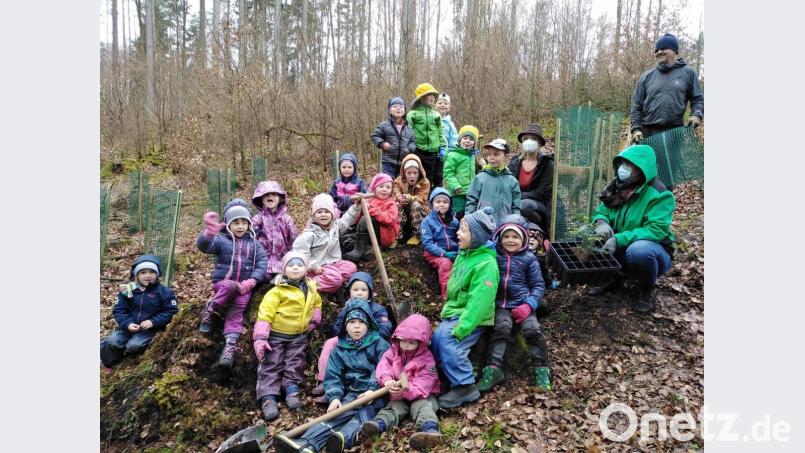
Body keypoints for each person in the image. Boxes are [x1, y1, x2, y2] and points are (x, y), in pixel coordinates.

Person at [273, 300, 390, 453]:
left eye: (361, 322)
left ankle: (341, 439)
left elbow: (384, 367)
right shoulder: (340, 349)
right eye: (352, 322)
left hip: (377, 394)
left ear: (368, 324)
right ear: (345, 326)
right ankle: (307, 442)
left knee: (364, 417)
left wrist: (373, 389)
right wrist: (335, 397)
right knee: (336, 416)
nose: (356, 326)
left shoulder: (379, 343)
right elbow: (333, 375)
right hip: (352, 393)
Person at [587, 144, 676, 313]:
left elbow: (656, 230)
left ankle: (646, 289)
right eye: (622, 163)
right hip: (618, 245)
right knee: (586, 232)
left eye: (629, 165)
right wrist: (601, 223)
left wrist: (619, 239)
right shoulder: (617, 187)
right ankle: (611, 277)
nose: (623, 169)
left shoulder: (660, 195)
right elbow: (601, 211)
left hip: (652, 251)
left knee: (639, 251)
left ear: (642, 168)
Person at [430, 207, 499, 409]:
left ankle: (465, 385)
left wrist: (463, 327)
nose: (457, 233)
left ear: (476, 236)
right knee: (436, 339)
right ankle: (447, 379)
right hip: (455, 311)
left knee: (449, 341)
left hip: (472, 318)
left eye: (463, 230)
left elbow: (480, 302)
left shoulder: (486, 263)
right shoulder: (465, 254)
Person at [477, 215, 551, 393]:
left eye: (515, 237)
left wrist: (528, 305)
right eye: (506, 236)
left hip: (523, 304)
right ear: (500, 238)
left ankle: (541, 370)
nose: (511, 240)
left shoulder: (529, 259)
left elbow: (538, 286)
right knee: (501, 328)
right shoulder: (494, 255)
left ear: (524, 239)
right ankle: (493, 369)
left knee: (532, 329)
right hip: (500, 305)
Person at [197, 199, 268, 370]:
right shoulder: (222, 241)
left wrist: (251, 282)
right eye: (236, 223)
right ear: (228, 224)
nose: (240, 226)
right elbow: (204, 246)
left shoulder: (255, 244)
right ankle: (211, 310)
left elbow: (262, 264)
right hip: (223, 283)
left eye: (244, 222)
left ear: (249, 224)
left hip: (244, 287)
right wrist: (208, 234)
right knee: (229, 286)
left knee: (238, 311)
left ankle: (230, 345)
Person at [253, 251, 323, 421]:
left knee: (295, 362)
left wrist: (314, 319)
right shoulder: (277, 291)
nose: (295, 268)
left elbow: (316, 303)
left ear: (306, 269)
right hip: (276, 336)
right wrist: (261, 338)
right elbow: (265, 314)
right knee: (271, 364)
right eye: (291, 265)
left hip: (298, 336)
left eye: (299, 265)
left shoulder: (311, 288)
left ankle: (291, 390)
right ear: (284, 270)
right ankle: (268, 398)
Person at [359, 314, 443, 450]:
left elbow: (425, 382)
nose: (406, 345)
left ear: (420, 343)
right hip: (398, 394)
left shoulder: (426, 359)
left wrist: (406, 391)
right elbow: (383, 366)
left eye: (411, 342)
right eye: (403, 340)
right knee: (393, 408)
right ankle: (377, 425)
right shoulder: (393, 351)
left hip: (422, 395)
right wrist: (387, 379)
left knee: (423, 408)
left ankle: (430, 431)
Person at [311, 272, 393, 404]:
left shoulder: (377, 308)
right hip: (348, 339)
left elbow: (385, 327)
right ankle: (324, 382)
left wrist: (371, 332)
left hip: (369, 340)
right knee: (330, 343)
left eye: (363, 289)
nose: (359, 293)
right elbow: (338, 329)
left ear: (370, 293)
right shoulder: (346, 307)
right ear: (349, 292)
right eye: (355, 289)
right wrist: (345, 312)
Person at [100, 255, 179, 369]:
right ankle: (108, 364)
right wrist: (128, 324)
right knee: (111, 341)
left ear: (157, 274)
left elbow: (171, 311)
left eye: (152, 272)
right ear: (136, 275)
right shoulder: (129, 290)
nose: (148, 275)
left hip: (150, 330)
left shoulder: (165, 292)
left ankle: (131, 360)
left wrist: (153, 322)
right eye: (143, 272)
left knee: (134, 345)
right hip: (128, 328)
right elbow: (119, 310)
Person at [630, 33, 704, 143]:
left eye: (664, 48)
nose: (659, 52)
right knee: (651, 161)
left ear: (675, 51)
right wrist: (635, 129)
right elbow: (636, 105)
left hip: (675, 133)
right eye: (657, 50)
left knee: (673, 160)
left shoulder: (688, 73)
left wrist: (696, 115)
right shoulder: (646, 77)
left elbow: (698, 99)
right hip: (647, 133)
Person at [292, 193, 360, 294]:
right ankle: (307, 285)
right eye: (319, 212)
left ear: (332, 214)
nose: (323, 214)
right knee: (336, 280)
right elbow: (300, 254)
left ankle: (329, 281)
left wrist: (356, 207)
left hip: (334, 263)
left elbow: (347, 220)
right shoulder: (309, 234)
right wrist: (313, 267)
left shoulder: (335, 227)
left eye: (327, 212)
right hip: (316, 268)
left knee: (351, 267)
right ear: (314, 215)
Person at [343, 174, 400, 263]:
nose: (385, 189)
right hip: (368, 234)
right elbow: (359, 220)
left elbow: (388, 219)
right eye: (381, 186)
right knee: (345, 238)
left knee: (366, 219)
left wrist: (369, 209)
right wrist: (360, 205)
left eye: (388, 187)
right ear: (374, 187)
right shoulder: (370, 200)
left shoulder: (391, 203)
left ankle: (359, 250)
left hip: (384, 235)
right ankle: (369, 251)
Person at [465, 138, 521, 226]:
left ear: (505, 157)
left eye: (496, 154)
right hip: (483, 225)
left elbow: (516, 205)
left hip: (505, 226)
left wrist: (516, 223)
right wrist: (468, 221)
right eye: (489, 154)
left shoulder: (512, 181)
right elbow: (471, 200)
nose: (491, 157)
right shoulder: (480, 178)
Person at [509, 124, 553, 234]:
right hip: (516, 201)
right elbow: (509, 185)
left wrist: (517, 197)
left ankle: (539, 234)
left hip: (539, 204)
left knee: (524, 205)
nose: (529, 141)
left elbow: (541, 193)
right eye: (526, 139)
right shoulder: (514, 162)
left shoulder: (547, 164)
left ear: (539, 144)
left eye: (533, 139)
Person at [251, 180, 298, 284]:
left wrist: (291, 255)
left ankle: (281, 278)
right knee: (263, 276)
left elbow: (293, 238)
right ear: (261, 199)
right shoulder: (258, 219)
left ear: (280, 198)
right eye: (266, 195)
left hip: (282, 257)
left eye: (273, 194)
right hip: (264, 258)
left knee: (289, 275)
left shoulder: (286, 219)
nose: (269, 197)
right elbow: (251, 236)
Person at [420, 187, 459, 300]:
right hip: (434, 253)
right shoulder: (427, 222)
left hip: (453, 251)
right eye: (438, 202)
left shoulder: (454, 221)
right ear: (432, 204)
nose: (441, 205)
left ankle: (462, 292)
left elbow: (460, 238)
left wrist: (459, 251)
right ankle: (448, 296)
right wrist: (444, 254)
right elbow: (427, 243)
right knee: (446, 264)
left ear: (450, 204)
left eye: (445, 202)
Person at [407, 83, 446, 188]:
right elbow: (408, 132)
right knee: (423, 177)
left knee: (437, 176)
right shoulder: (413, 114)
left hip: (435, 151)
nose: (433, 97)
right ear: (421, 98)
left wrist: (442, 146)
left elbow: (440, 132)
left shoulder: (436, 114)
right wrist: (411, 147)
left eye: (434, 95)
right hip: (419, 151)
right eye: (429, 95)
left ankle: (437, 199)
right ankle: (423, 199)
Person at [371, 96, 416, 178]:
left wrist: (409, 149)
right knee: (388, 181)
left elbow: (413, 141)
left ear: (405, 111)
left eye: (401, 107)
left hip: (404, 162)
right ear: (389, 111)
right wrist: (382, 143)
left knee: (401, 184)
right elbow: (375, 136)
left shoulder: (408, 129)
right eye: (395, 106)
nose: (398, 108)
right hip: (388, 161)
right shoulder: (384, 125)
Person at [392, 154, 431, 247]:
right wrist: (398, 196)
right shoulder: (399, 180)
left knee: (415, 204)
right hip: (404, 211)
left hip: (419, 212)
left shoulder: (425, 182)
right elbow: (395, 189)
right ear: (404, 173)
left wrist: (411, 198)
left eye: (415, 173)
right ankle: (398, 235)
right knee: (396, 205)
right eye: (409, 173)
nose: (412, 176)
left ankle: (417, 235)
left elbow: (422, 197)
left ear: (419, 172)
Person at [443, 125, 480, 218]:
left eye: (471, 139)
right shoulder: (452, 155)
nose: (468, 141)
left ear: (474, 143)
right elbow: (448, 174)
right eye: (465, 138)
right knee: (457, 215)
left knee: (468, 215)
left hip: (470, 193)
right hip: (457, 192)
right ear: (459, 140)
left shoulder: (472, 156)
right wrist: (455, 185)